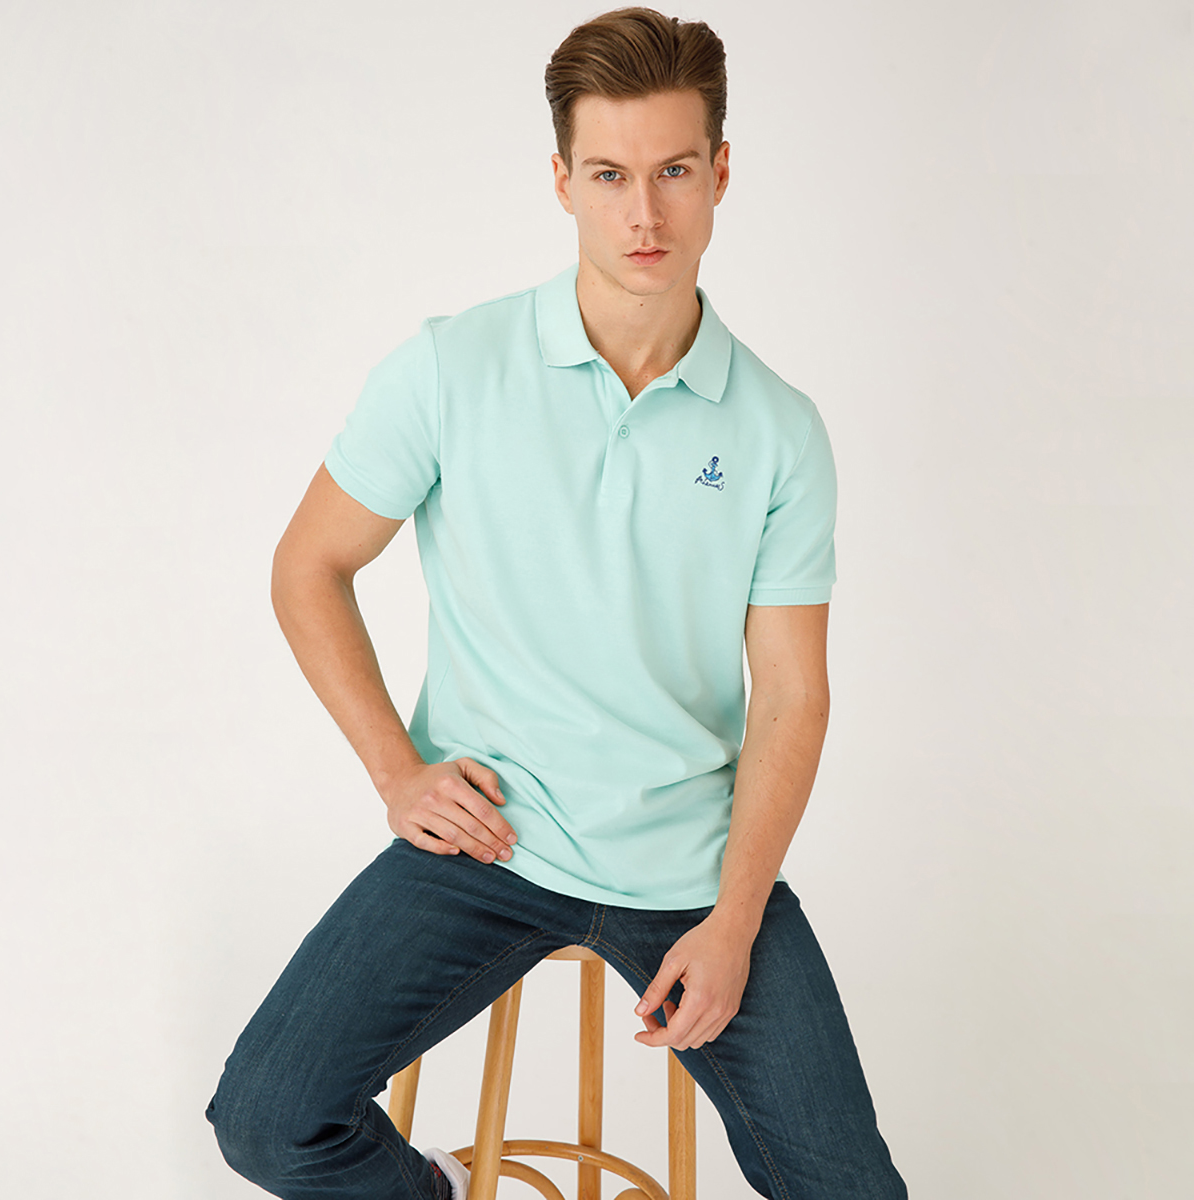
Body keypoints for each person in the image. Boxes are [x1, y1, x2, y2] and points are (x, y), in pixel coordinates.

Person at [206, 8, 907, 1198]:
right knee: (269, 1119)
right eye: (611, 175)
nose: (645, 215)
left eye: (673, 172)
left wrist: (736, 921)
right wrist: (396, 772)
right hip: (487, 840)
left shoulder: (780, 430)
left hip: (691, 869)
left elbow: (794, 697)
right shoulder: (450, 367)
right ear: (563, 182)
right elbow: (307, 566)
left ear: (720, 174)